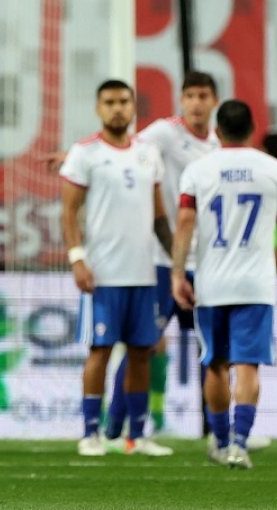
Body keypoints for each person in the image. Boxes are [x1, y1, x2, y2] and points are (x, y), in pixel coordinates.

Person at [172, 100, 277, 469]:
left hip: (212, 283)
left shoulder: (198, 170)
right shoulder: (274, 169)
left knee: (215, 364)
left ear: (218, 130)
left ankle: (220, 442)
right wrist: (274, 259)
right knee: (247, 366)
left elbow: (184, 226)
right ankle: (241, 445)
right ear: (252, 128)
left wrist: (178, 274)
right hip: (255, 284)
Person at [60, 79, 174, 457]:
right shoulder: (85, 153)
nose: (117, 108)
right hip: (103, 274)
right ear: (98, 108)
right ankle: (90, 433)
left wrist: (175, 263)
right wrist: (78, 258)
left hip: (143, 272)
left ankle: (136, 436)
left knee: (142, 352)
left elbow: (159, 218)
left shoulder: (148, 154)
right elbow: (69, 213)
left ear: (132, 106)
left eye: (124, 101)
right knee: (101, 350)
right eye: (109, 102)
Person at [104, 71, 220, 441]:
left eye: (203, 95)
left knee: (212, 346)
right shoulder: (166, 133)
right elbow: (119, 145)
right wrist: (75, 155)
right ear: (181, 101)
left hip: (204, 261)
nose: (197, 103)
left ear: (214, 101)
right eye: (190, 96)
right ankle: (112, 429)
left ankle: (218, 432)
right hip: (162, 258)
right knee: (144, 343)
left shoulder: (219, 145)